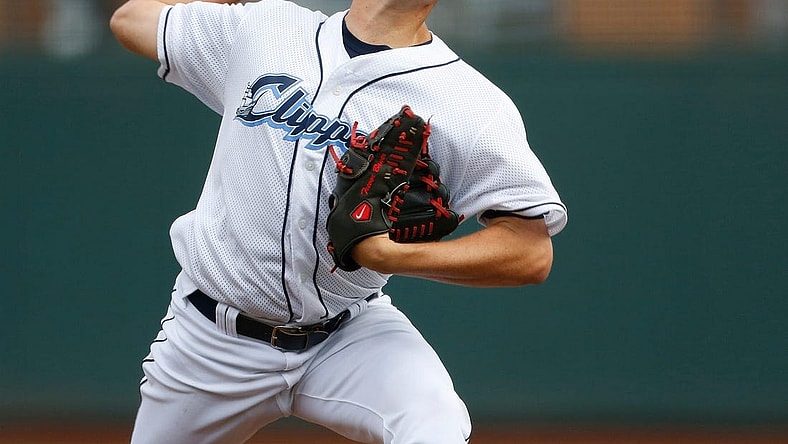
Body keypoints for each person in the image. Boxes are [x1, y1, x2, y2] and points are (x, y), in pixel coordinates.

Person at [110, 0, 567, 442]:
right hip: (211, 341)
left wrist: (392, 255)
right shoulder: (266, 27)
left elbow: (529, 251)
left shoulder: (471, 102)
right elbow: (131, 19)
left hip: (348, 335)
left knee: (435, 421)